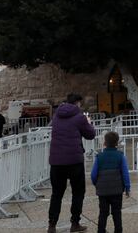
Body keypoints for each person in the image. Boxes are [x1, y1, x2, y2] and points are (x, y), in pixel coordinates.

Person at [47, 93, 96, 233]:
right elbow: (90, 134)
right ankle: (75, 223)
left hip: (56, 161)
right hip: (74, 160)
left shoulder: (56, 116)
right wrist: (88, 122)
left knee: (56, 194)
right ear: (77, 103)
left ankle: (52, 224)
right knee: (78, 192)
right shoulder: (80, 117)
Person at [91, 131, 130, 233]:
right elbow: (125, 173)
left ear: (104, 143)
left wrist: (97, 184)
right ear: (117, 143)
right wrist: (127, 187)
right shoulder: (120, 156)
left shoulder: (99, 157)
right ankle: (118, 230)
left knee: (103, 213)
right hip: (117, 190)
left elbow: (93, 175)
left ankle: (101, 230)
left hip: (103, 191)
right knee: (117, 212)